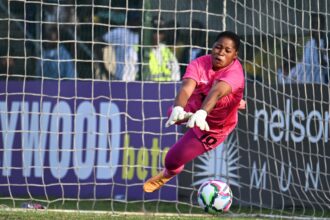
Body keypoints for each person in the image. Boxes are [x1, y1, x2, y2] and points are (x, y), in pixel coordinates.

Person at [143, 31, 245, 193]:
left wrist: (202, 114)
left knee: (171, 160)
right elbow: (186, 88)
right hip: (196, 105)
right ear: (212, 48)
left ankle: (168, 173)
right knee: (172, 113)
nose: (221, 52)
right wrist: (178, 108)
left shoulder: (235, 73)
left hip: (214, 126)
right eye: (218, 47)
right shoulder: (198, 63)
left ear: (235, 55)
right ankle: (187, 114)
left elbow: (216, 92)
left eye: (227, 50)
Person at [102, 11, 140, 81]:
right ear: (129, 20)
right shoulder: (120, 32)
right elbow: (98, 43)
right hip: (121, 78)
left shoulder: (143, 35)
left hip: (138, 78)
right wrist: (104, 69)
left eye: (138, 20)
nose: (137, 23)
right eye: (135, 20)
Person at [293, 13, 329, 84]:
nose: (313, 26)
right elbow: (304, 64)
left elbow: (324, 65)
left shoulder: (326, 42)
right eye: (312, 24)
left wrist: (318, 43)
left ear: (322, 25)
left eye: (316, 23)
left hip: (320, 85)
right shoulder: (309, 43)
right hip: (306, 83)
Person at [143, 16, 180, 81]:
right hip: (145, 89)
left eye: (161, 32)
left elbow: (176, 74)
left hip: (166, 88)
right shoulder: (140, 50)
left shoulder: (167, 51)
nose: (157, 35)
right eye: (154, 31)